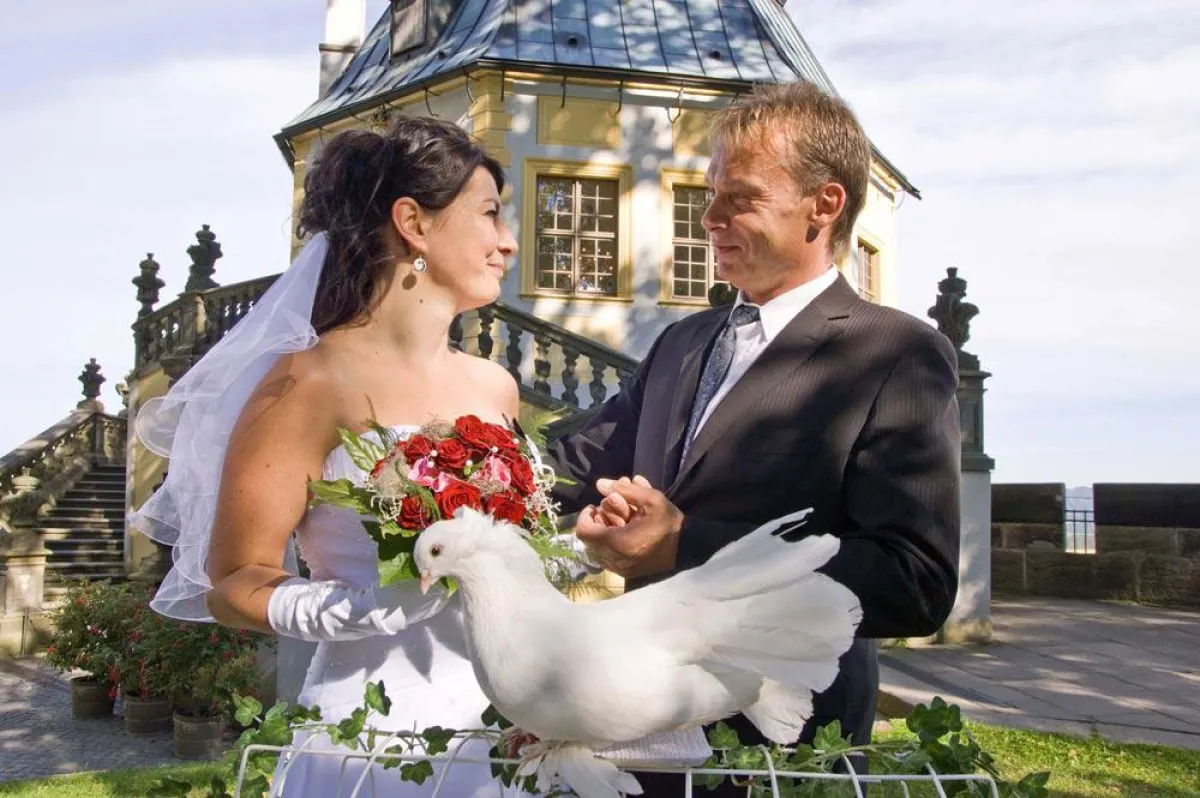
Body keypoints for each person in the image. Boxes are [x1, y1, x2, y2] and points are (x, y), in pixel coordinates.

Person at [550, 80, 962, 794]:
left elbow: (914, 582)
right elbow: (574, 468)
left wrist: (687, 544)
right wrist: (432, 473)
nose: (708, 217)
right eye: (709, 193)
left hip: (781, 738)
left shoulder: (895, 353)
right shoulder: (681, 342)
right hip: (640, 726)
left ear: (823, 205)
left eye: (737, 197)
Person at [130, 116, 523, 797]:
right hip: (366, 744)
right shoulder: (306, 385)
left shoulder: (496, 388)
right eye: (489, 215)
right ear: (414, 223)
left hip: (502, 735)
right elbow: (232, 582)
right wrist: (353, 610)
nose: (507, 242)